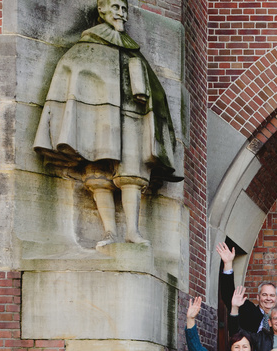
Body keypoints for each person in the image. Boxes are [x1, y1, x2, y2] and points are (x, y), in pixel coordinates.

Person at [33, 0, 180, 249]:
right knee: (98, 173)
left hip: (131, 118)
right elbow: (71, 77)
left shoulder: (134, 52)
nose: (121, 14)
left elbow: (155, 93)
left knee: (132, 174)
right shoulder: (85, 47)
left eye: (124, 9)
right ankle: (109, 231)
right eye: (115, 7)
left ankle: (132, 231)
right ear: (101, 10)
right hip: (97, 119)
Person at [216, 243, 277, 334]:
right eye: (264, 295)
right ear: (258, 297)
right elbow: (229, 296)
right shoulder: (248, 311)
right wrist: (228, 264)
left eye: (272, 295)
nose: (268, 298)